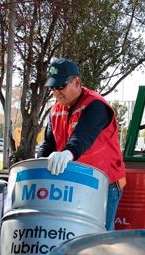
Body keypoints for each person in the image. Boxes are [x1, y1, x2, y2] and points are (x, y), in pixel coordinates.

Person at [37, 58, 126, 231]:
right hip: (74, 182)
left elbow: (83, 136)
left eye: (61, 86)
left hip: (105, 184)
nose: (56, 92)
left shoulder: (96, 106)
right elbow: (48, 144)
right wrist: (38, 166)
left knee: (99, 236)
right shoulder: (55, 111)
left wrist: (67, 153)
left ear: (77, 82)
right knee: (73, 233)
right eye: (53, 88)